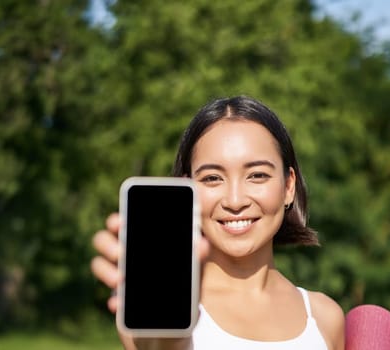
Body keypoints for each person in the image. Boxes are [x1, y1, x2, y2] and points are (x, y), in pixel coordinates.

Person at [90, 96, 345, 350]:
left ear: (289, 186)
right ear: (186, 188)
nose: (234, 201)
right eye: (212, 178)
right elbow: (161, 343)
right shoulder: (162, 306)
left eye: (257, 175)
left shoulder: (325, 318)